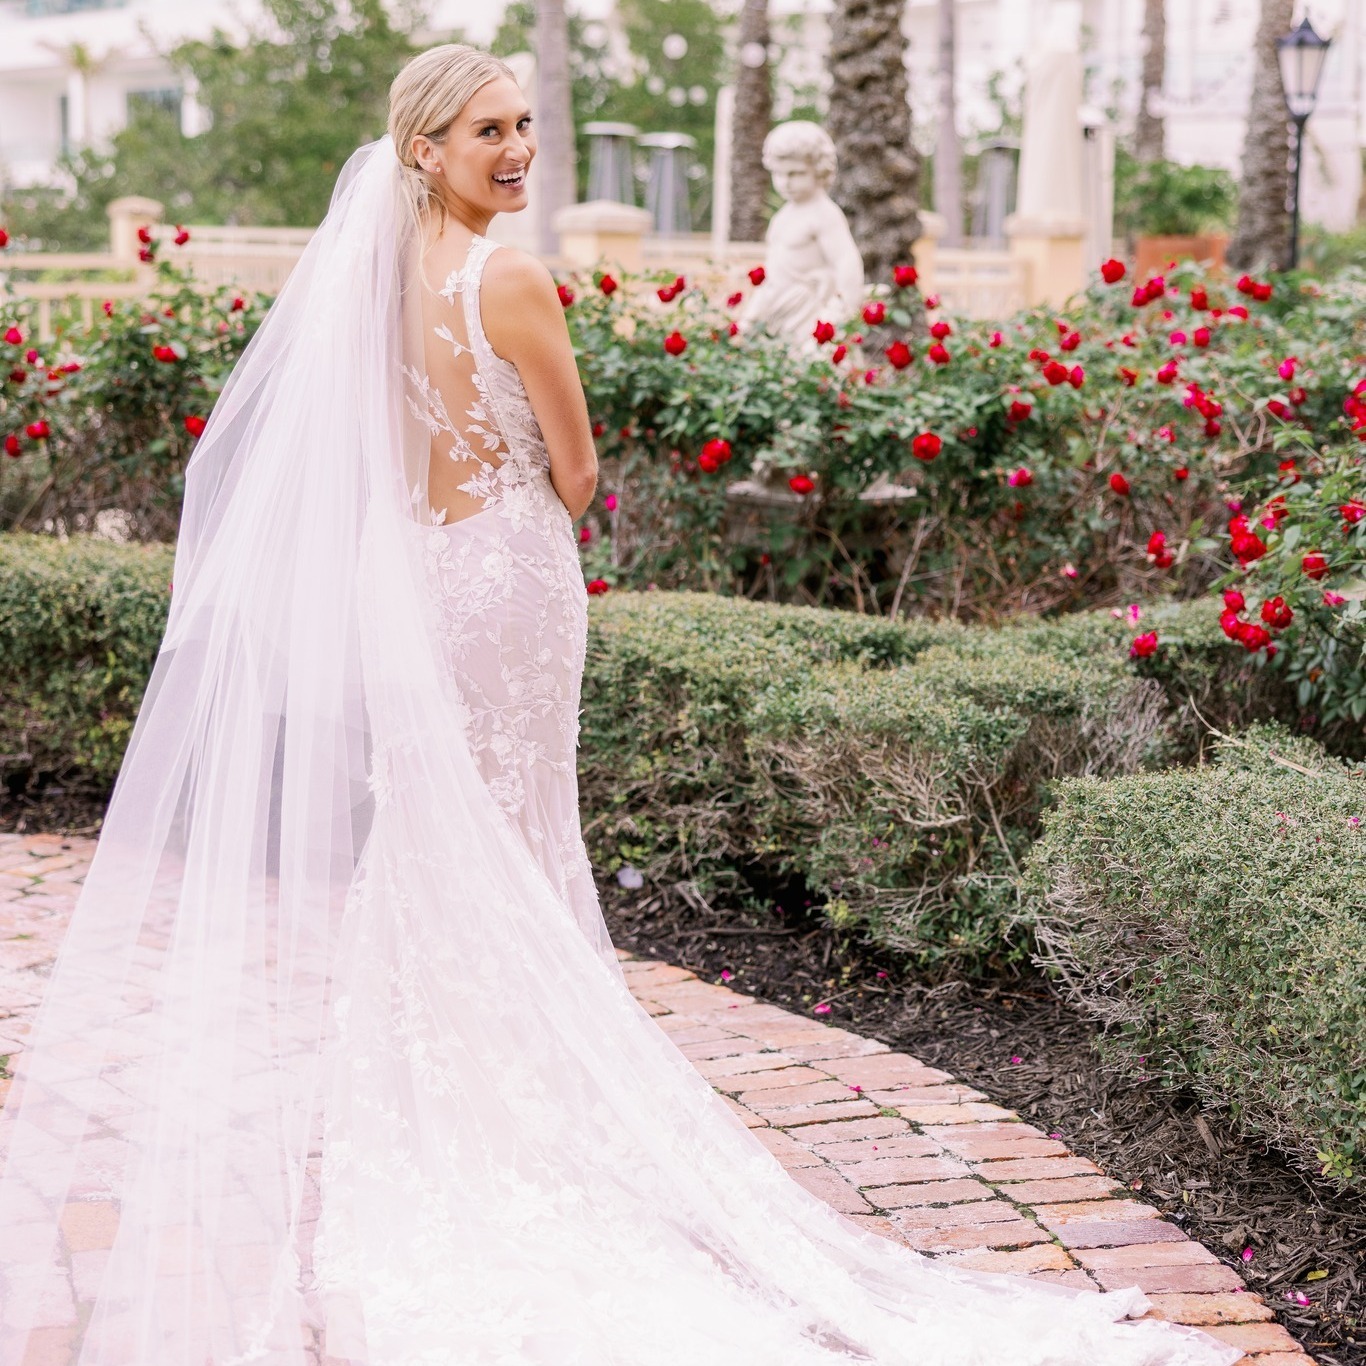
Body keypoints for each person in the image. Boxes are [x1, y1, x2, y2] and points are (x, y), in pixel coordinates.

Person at [0, 45, 1242, 1366]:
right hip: (510, 582)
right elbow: (578, 471)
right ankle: (544, 1112)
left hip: (418, 582)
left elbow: (380, 453)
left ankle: (459, 1120)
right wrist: (530, 480)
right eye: (488, 130)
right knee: (521, 841)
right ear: (422, 148)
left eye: (525, 124)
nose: (519, 149)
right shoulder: (511, 277)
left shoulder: (368, 276)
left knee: (438, 840)